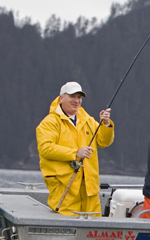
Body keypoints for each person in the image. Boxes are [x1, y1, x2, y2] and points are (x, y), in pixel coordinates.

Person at [36, 81, 114, 216]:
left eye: (79, 97)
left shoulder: (87, 120)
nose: (77, 101)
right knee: (67, 227)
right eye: (72, 96)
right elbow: (45, 148)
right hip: (65, 188)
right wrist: (75, 153)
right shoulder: (49, 122)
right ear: (61, 98)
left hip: (90, 189)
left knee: (94, 230)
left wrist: (105, 124)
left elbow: (103, 141)